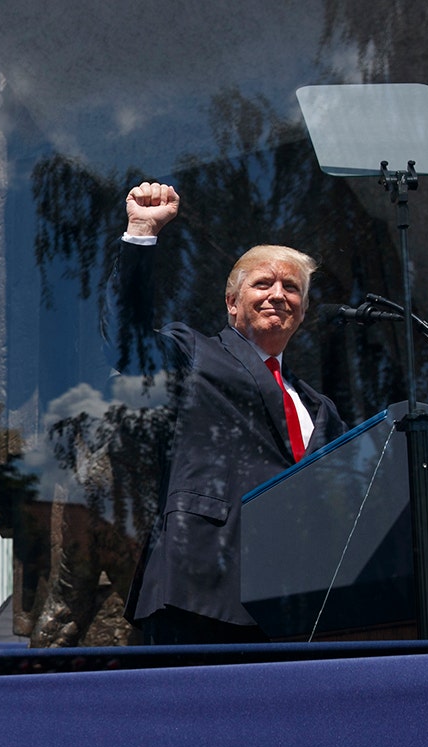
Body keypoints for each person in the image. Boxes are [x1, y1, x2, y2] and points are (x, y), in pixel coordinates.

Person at [118, 182, 347, 644]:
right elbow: (130, 338)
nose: (278, 295)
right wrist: (142, 231)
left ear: (302, 312)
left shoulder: (320, 409)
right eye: (263, 283)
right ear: (232, 303)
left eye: (292, 288)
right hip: (200, 589)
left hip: (295, 607)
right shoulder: (195, 355)